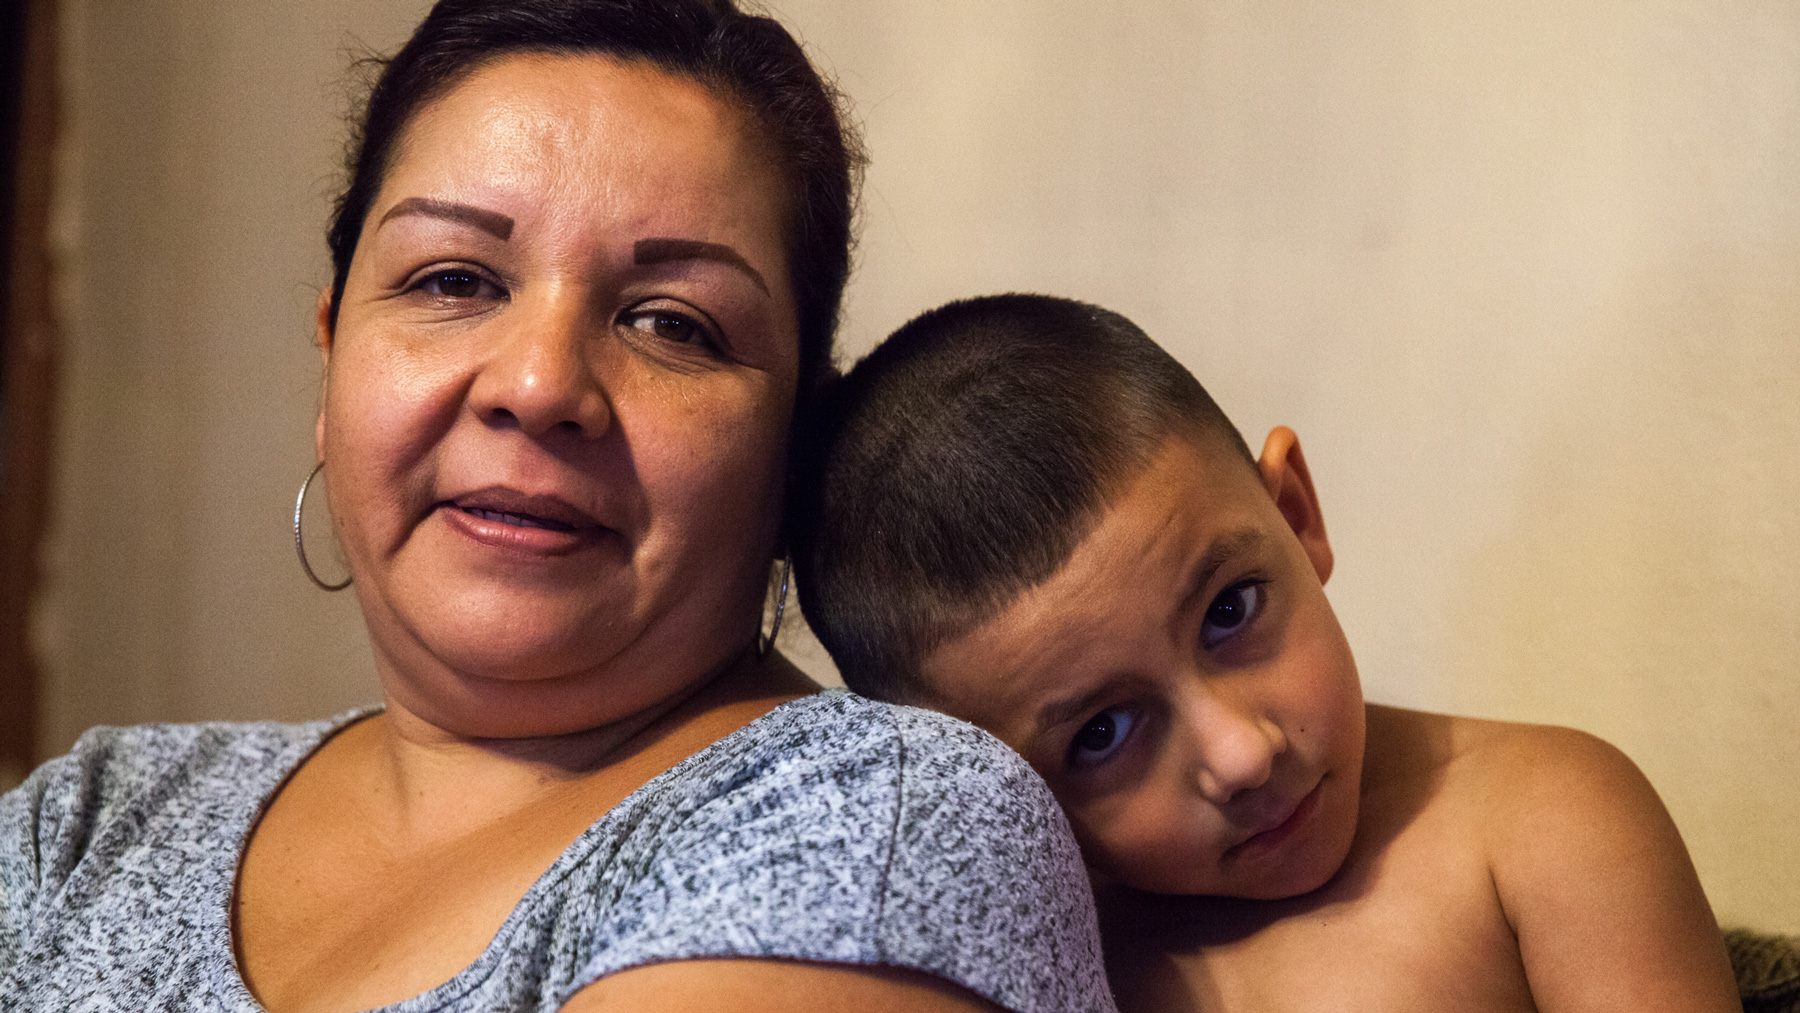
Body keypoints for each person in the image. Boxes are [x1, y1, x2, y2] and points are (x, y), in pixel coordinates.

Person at [0, 7, 1116, 1012]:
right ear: (333, 353)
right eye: (453, 281)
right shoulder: (88, 820)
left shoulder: (889, 815)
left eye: (672, 323)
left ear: (799, 439)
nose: (537, 387)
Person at [792, 293, 1742, 1012]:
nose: (1242, 754)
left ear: (1297, 515)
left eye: (1230, 610)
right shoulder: (1053, 968)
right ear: (986, 789)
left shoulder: (1543, 821)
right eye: (1104, 732)